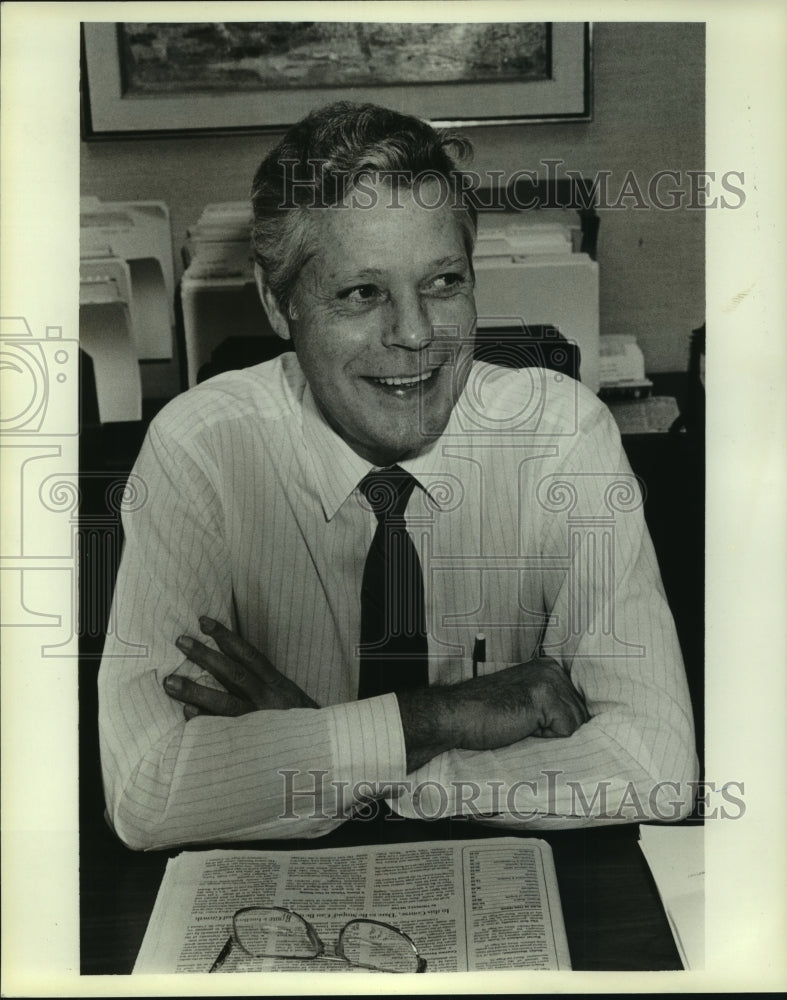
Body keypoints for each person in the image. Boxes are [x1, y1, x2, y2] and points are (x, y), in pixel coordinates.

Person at [98, 101, 698, 850]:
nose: (415, 335)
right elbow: (147, 790)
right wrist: (437, 719)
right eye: (361, 293)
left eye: (443, 282)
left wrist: (332, 752)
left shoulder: (560, 433)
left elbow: (657, 768)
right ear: (278, 302)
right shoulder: (200, 450)